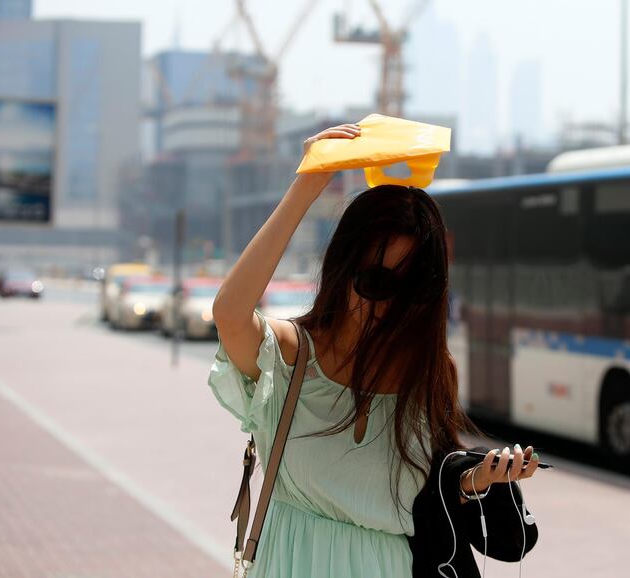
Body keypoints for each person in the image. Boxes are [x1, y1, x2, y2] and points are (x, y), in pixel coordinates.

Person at [209, 123, 540, 578]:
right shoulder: (290, 355)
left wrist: (476, 479)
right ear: (343, 271)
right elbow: (229, 312)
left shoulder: (430, 371)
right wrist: (308, 184)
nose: (393, 306)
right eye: (378, 282)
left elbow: (430, 491)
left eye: (415, 288)